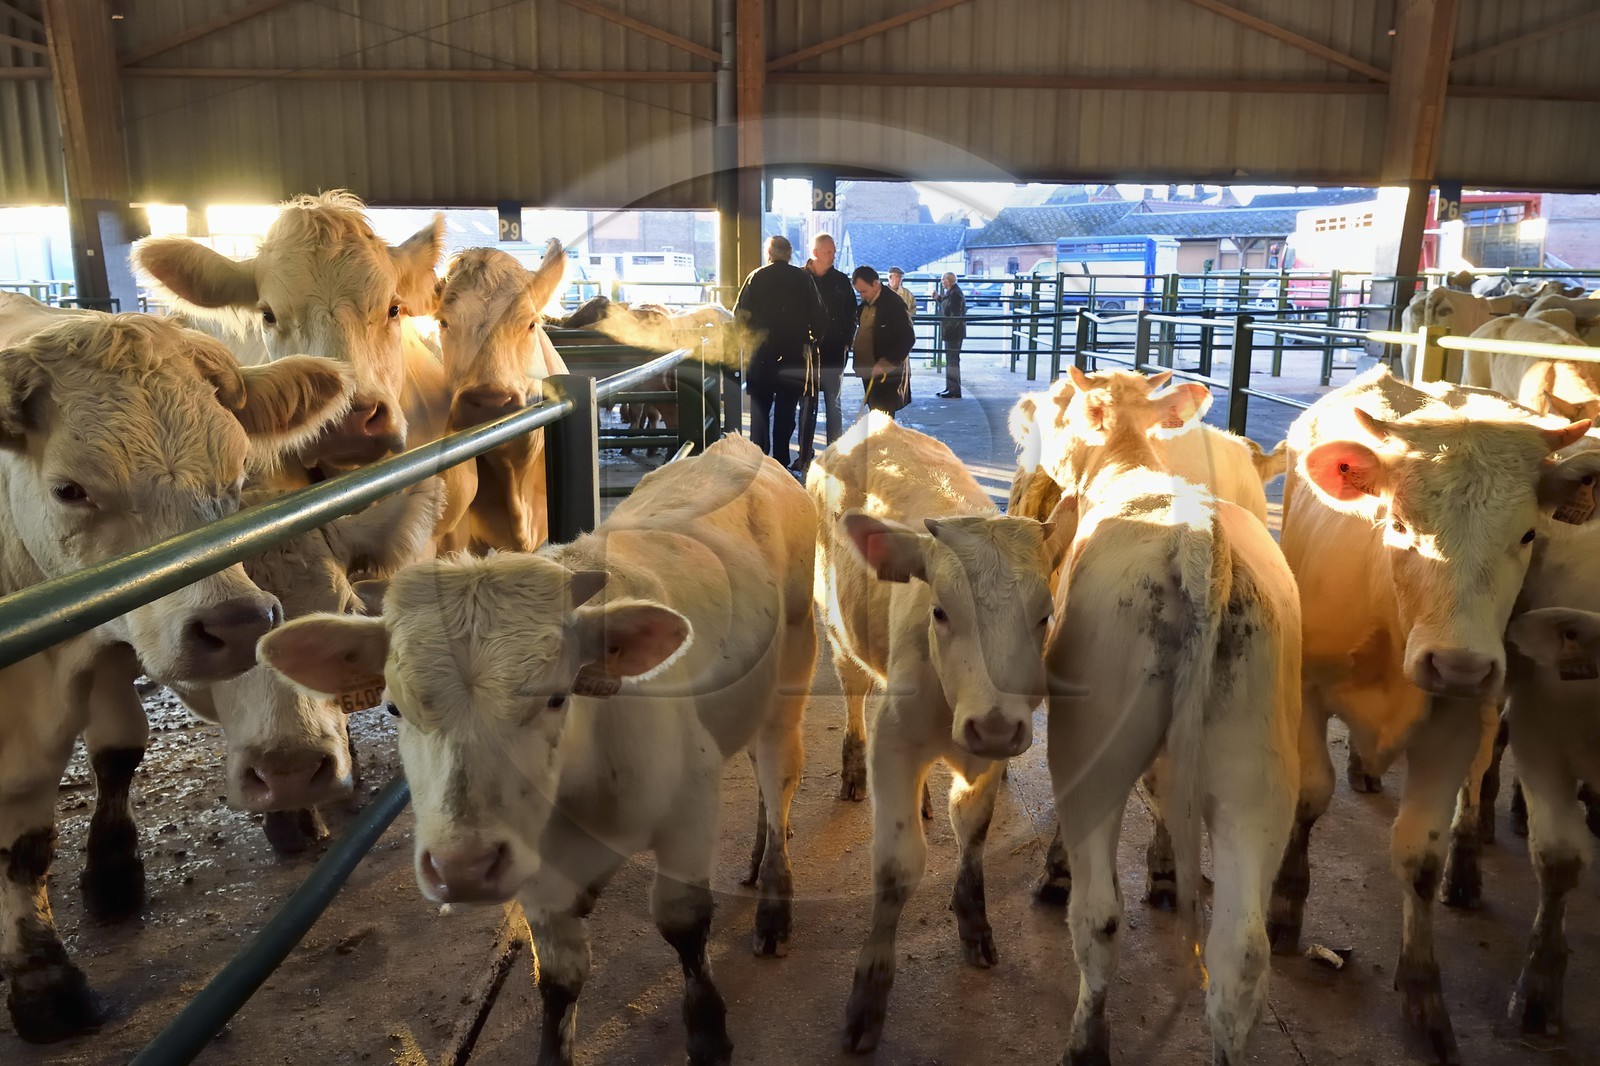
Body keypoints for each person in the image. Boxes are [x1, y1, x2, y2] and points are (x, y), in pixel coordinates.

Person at [733, 235, 824, 468]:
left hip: (761, 354)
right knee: (786, 411)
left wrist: (748, 342)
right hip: (793, 355)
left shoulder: (756, 277)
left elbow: (739, 315)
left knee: (760, 411)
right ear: (789, 254)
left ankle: (759, 462)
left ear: (770, 253)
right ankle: (781, 462)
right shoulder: (803, 278)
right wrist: (812, 340)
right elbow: (819, 317)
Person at [797, 233, 857, 470]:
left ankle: (835, 455)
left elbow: (852, 314)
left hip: (834, 350)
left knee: (834, 404)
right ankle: (804, 456)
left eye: (834, 252)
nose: (833, 256)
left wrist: (847, 342)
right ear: (815, 253)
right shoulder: (799, 279)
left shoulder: (841, 281)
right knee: (806, 406)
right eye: (828, 252)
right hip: (806, 354)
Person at [851, 265, 915, 417]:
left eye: (864, 291)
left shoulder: (894, 304)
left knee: (883, 415)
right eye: (859, 292)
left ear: (875, 283)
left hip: (886, 373)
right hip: (868, 369)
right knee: (875, 411)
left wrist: (887, 362)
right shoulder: (867, 302)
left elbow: (907, 337)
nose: (862, 296)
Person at [935, 271, 967, 399]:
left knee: (952, 361)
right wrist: (939, 298)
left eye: (943, 280)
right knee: (951, 361)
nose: (942, 282)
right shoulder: (953, 292)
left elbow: (955, 315)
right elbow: (949, 305)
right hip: (954, 332)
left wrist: (947, 329)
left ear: (947, 281)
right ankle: (951, 387)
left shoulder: (955, 294)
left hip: (953, 333)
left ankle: (954, 389)